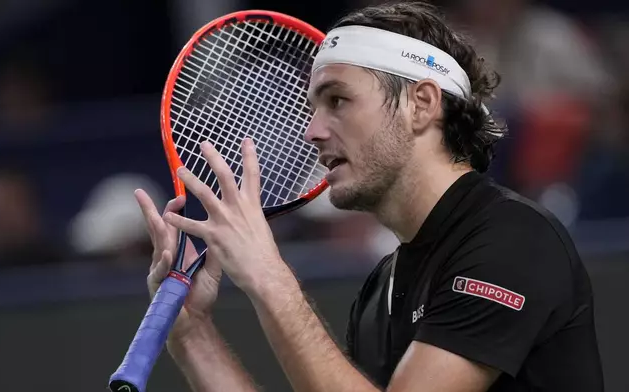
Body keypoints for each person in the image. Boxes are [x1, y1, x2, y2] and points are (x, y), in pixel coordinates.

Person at [135, 2, 604, 391]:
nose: (312, 131)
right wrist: (194, 334)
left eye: (337, 101)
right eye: (312, 107)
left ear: (421, 105)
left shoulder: (512, 241)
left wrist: (267, 274)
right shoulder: (383, 288)